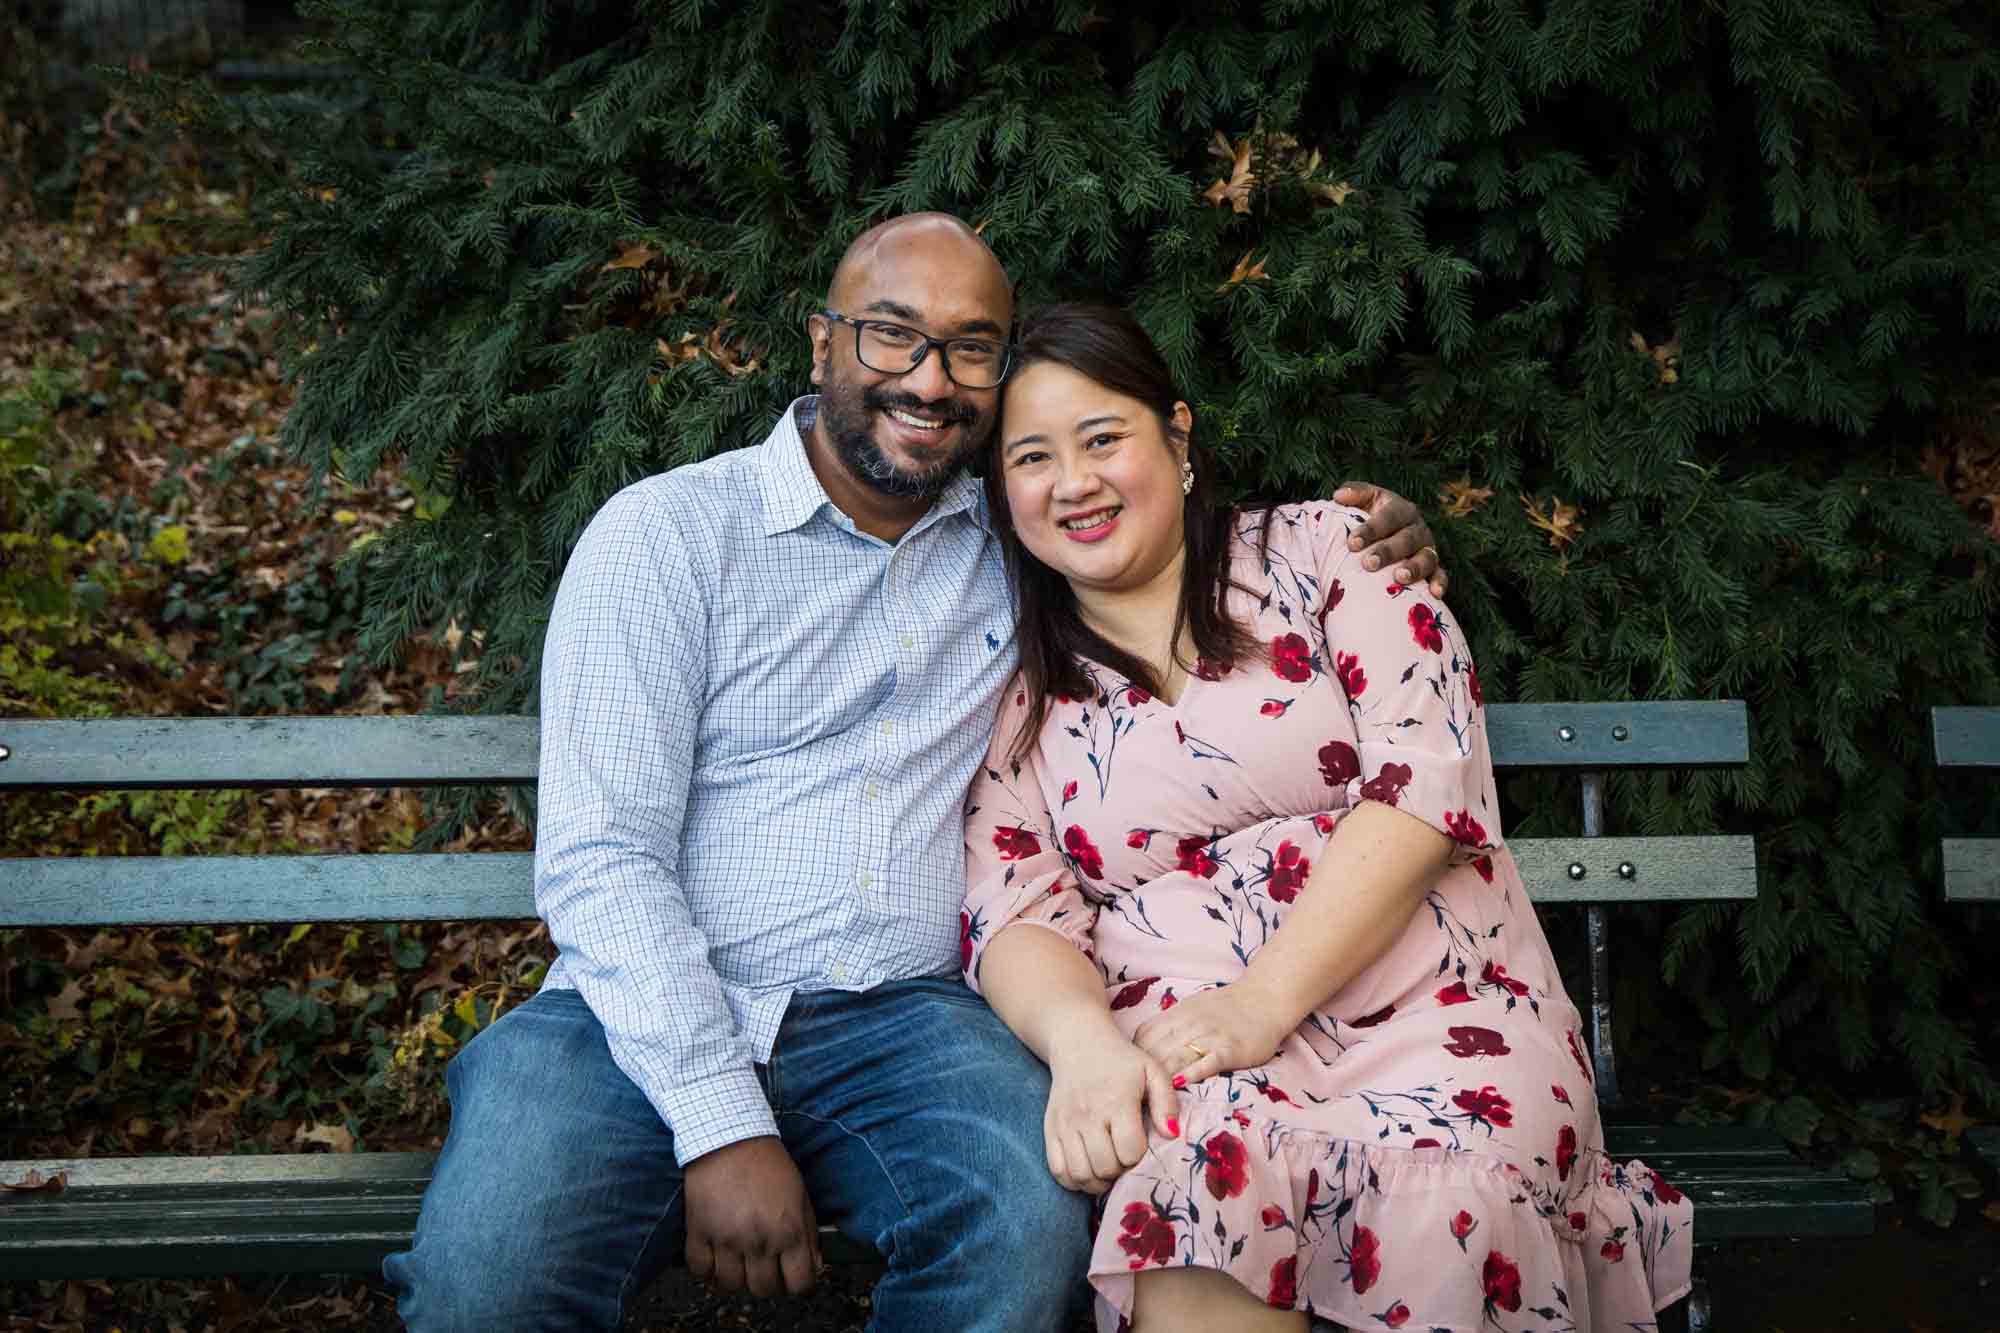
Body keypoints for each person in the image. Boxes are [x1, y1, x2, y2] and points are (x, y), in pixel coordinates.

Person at [381, 215, 1448, 1331]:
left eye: (971, 347)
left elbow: (1159, 526)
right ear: (820, 345)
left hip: (903, 1024)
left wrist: (1370, 527)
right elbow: (602, 861)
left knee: (1021, 1233)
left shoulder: (1022, 535)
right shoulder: (665, 537)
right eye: (892, 336)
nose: (930, 381)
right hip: (626, 1016)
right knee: (483, 1281)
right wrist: (721, 1123)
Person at [961, 303, 1693, 1333]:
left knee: (1449, 1193)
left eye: (1100, 438)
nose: (1070, 481)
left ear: (1176, 437)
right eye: (1030, 457)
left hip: (1438, 1011)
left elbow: (1423, 788)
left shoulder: (1330, 554)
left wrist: (1260, 1001)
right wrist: (1082, 1045)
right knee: (1191, 1188)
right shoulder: (1022, 696)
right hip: (1190, 1047)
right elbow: (1013, 906)